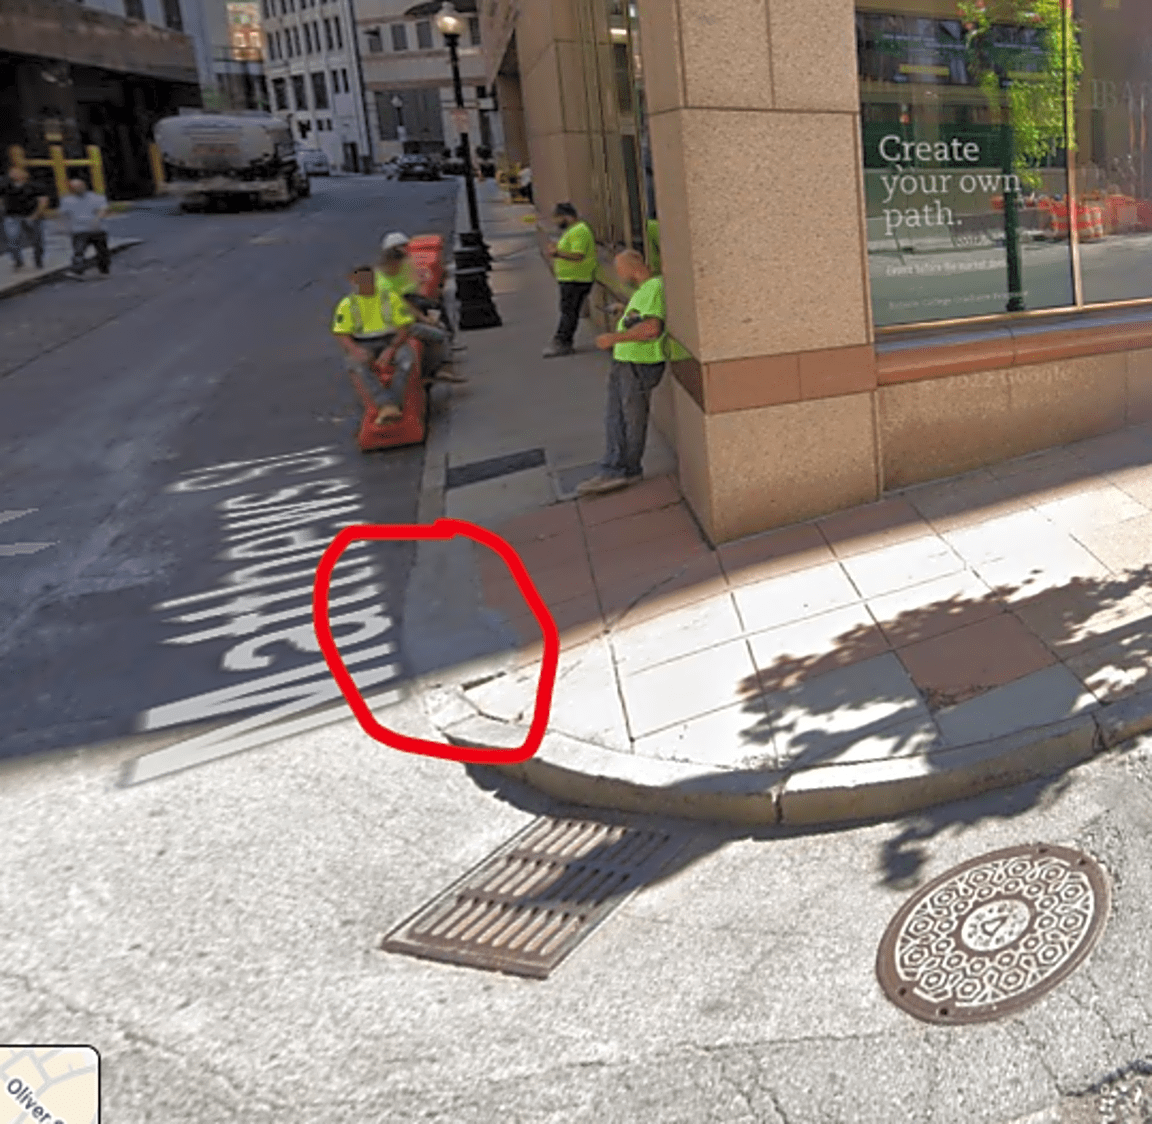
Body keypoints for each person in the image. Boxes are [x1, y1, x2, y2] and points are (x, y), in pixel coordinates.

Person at [576, 250, 670, 497]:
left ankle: (621, 469)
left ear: (633, 266)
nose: (618, 274)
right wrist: (625, 310)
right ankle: (616, 467)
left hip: (638, 362)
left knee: (628, 418)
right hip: (627, 361)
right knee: (617, 416)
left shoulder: (654, 287)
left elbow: (652, 328)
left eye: (619, 269)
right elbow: (643, 318)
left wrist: (614, 338)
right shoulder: (644, 291)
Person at [332, 265, 417, 425]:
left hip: (391, 340)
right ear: (353, 281)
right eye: (361, 280)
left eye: (369, 279)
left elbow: (404, 327)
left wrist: (391, 349)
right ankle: (385, 404)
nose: (366, 284)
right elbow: (341, 333)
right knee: (356, 365)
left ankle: (393, 403)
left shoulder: (389, 298)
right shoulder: (347, 304)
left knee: (406, 360)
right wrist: (356, 350)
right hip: (363, 343)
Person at [374, 241, 467, 384]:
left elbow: (405, 302)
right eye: (399, 265)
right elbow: (404, 307)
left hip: (391, 323)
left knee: (433, 326)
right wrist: (424, 319)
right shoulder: (384, 285)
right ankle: (440, 369)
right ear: (393, 263)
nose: (400, 268)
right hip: (397, 327)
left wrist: (423, 318)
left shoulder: (378, 278)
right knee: (439, 334)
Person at [379, 231, 458, 343]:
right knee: (435, 308)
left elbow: (419, 280)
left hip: (409, 298)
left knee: (436, 305)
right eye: (402, 246)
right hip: (404, 303)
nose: (405, 249)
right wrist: (425, 318)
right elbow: (404, 302)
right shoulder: (391, 271)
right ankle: (448, 337)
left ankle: (448, 335)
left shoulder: (404, 263)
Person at [543, 202, 597, 359]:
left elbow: (578, 255)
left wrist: (557, 253)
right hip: (572, 278)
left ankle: (563, 342)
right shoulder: (573, 230)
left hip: (576, 279)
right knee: (568, 311)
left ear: (567, 216)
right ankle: (563, 341)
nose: (556, 222)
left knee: (569, 311)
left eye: (558, 218)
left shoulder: (579, 231)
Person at [59, 177, 111, 279]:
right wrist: (63, 227)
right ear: (71, 189)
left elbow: (103, 209)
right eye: (74, 187)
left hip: (97, 229)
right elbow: (64, 214)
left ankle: (104, 270)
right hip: (78, 230)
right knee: (78, 252)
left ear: (84, 186)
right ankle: (77, 271)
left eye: (79, 186)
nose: (78, 188)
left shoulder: (95, 197)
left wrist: (98, 218)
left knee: (102, 252)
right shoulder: (66, 200)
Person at [1, 164, 48, 271]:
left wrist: (36, 215)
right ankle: (18, 261)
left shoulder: (35, 185)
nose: (13, 174)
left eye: (16, 172)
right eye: (12, 172)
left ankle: (38, 258)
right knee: (12, 238)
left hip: (31, 215)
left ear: (25, 174)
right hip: (12, 216)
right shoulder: (5, 186)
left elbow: (43, 201)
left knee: (37, 239)